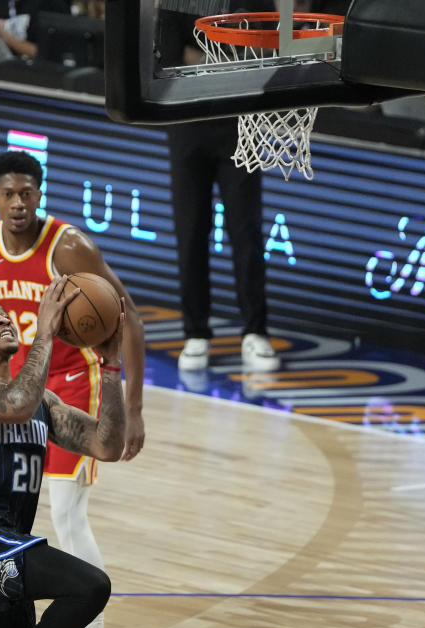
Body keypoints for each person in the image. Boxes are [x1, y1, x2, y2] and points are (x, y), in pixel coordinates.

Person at [0, 151, 144, 628]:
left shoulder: (68, 247)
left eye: (27, 192)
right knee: (14, 511)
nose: (19, 203)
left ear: (39, 194)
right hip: (24, 390)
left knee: (66, 512)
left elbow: (131, 321)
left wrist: (133, 408)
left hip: (76, 386)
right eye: (9, 194)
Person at [0, 280, 126, 628]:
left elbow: (107, 445)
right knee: (90, 586)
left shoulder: (43, 403)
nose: (3, 320)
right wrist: (45, 332)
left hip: (8, 544)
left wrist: (110, 366)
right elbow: (15, 404)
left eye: (4, 315)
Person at [157, 3, 281, 373]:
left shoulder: (255, 1)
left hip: (241, 127)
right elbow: (174, 61)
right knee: (191, 231)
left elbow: (267, 52)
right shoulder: (176, 4)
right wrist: (234, 56)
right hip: (189, 123)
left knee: (246, 233)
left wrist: (212, 58)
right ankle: (196, 332)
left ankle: (254, 332)